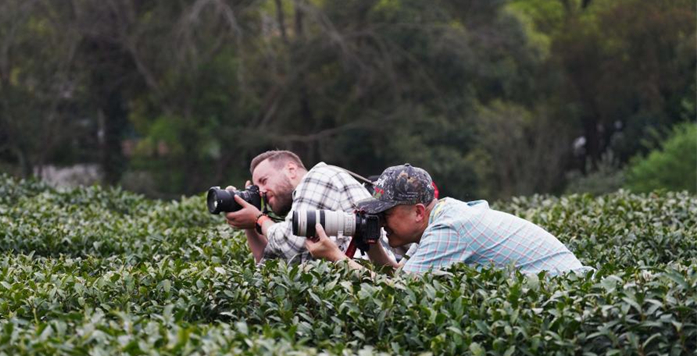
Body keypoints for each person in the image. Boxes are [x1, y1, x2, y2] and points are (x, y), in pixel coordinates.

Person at [305, 163, 587, 275]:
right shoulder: (442, 218)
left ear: (418, 212)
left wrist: (336, 257)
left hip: (575, 296)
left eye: (385, 213)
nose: (381, 221)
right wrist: (372, 245)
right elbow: (400, 275)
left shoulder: (450, 229)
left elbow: (397, 294)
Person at [224, 150, 389, 264]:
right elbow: (269, 264)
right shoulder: (301, 205)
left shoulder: (318, 176)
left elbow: (289, 243)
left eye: (264, 181)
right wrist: (249, 222)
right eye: (255, 187)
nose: (260, 192)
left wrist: (258, 218)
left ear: (291, 170)